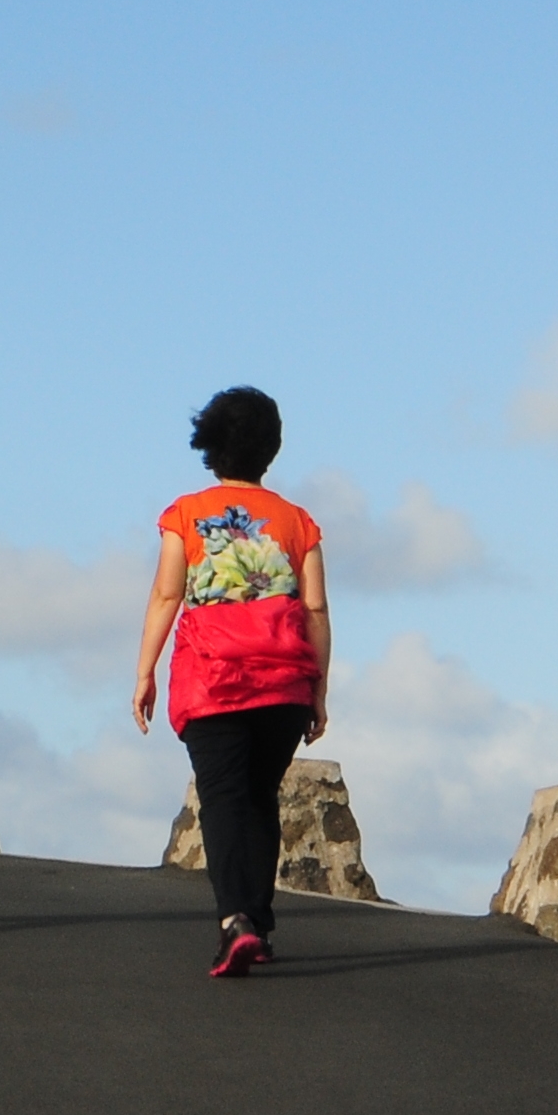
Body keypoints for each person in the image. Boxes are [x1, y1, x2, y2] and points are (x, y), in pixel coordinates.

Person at [129, 386, 332, 979]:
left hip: (212, 679)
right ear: (271, 449)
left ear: (210, 447)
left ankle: (234, 922)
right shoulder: (298, 523)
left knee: (222, 798)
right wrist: (318, 690)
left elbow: (168, 593)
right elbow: (315, 610)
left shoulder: (185, 515)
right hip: (284, 682)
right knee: (260, 796)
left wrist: (145, 672)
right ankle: (258, 921)